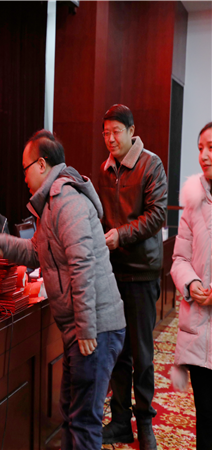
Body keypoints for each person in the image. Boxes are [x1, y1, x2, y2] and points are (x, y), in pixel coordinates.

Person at [0, 129, 126, 449]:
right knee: (72, 416)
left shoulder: (65, 200)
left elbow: (82, 265)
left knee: (83, 422)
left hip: (95, 329)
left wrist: (86, 328)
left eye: (25, 168)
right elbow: (36, 251)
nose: (23, 177)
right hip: (83, 328)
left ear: (41, 164)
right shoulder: (51, 204)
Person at [98, 104, 167, 449]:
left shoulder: (151, 164)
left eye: (116, 132)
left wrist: (121, 236)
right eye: (105, 133)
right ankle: (121, 421)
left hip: (141, 272)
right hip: (114, 273)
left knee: (141, 353)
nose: (110, 139)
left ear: (131, 131)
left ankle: (145, 423)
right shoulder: (105, 169)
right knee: (118, 352)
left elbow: (157, 215)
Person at [170, 122, 212, 450]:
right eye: (200, 148)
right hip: (199, 331)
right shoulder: (193, 198)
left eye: (211, 148)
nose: (204, 155)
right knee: (206, 420)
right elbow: (179, 258)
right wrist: (192, 282)